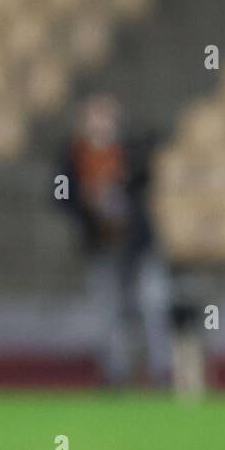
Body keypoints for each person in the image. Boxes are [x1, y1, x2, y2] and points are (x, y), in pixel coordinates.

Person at [60, 93, 172, 387]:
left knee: (151, 303)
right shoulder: (74, 158)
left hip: (138, 245)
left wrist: (118, 179)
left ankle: (160, 372)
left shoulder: (129, 152)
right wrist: (89, 204)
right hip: (102, 245)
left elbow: (147, 175)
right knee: (108, 309)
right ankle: (115, 374)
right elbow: (60, 198)